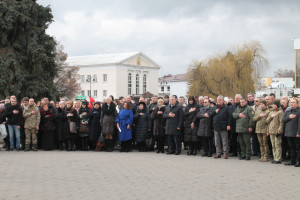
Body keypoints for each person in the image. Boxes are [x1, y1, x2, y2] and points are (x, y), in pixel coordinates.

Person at [282, 98, 300, 167]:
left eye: (293, 102)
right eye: (290, 102)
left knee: (298, 148)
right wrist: (289, 117)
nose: (291, 103)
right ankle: (292, 161)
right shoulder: (288, 111)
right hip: (288, 132)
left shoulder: (299, 111)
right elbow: (283, 120)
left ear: (297, 103)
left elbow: (299, 123)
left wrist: (298, 133)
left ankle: (298, 161)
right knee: (291, 147)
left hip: (296, 133)